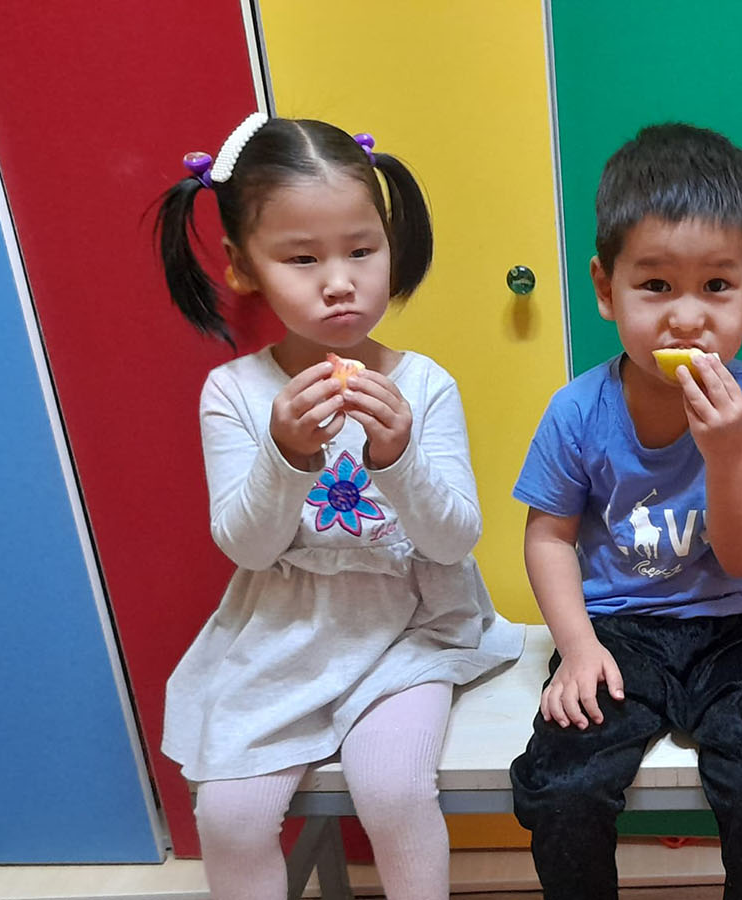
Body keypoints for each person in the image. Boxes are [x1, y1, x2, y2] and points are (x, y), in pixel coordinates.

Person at [152, 112, 523, 900]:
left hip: (413, 627)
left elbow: (454, 541)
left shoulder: (422, 382)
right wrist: (285, 457)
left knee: (392, 792)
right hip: (287, 633)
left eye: (362, 249)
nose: (340, 279)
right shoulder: (235, 392)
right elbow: (248, 549)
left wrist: (397, 458)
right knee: (230, 813)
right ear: (242, 267)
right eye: (301, 257)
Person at [508, 123, 742, 899]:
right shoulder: (577, 411)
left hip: (738, 627)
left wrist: (725, 453)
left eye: (716, 286)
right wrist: (577, 648)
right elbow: (547, 536)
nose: (688, 318)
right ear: (605, 289)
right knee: (564, 788)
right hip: (618, 630)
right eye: (656, 286)